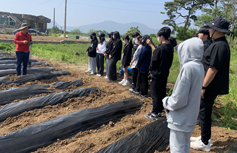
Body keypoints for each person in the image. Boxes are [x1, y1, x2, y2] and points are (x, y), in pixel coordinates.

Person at [190, 18, 231, 152]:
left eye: (211, 28)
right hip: (210, 85)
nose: (209, 30)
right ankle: (204, 136)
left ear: (217, 31)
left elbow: (213, 69)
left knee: (204, 111)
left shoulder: (219, 46)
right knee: (204, 111)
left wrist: (203, 86)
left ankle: (205, 142)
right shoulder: (218, 43)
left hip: (210, 86)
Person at [162, 37, 204, 153]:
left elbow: (178, 99)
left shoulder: (188, 68)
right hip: (190, 115)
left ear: (187, 50)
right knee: (185, 144)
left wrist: (166, 102)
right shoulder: (199, 66)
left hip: (181, 117)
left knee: (177, 147)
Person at [145, 27, 174, 120]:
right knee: (162, 92)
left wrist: (150, 69)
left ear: (161, 37)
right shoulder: (170, 47)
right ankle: (161, 108)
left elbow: (154, 61)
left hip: (157, 74)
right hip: (165, 73)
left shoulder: (160, 49)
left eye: (158, 36)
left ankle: (155, 113)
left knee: (155, 94)